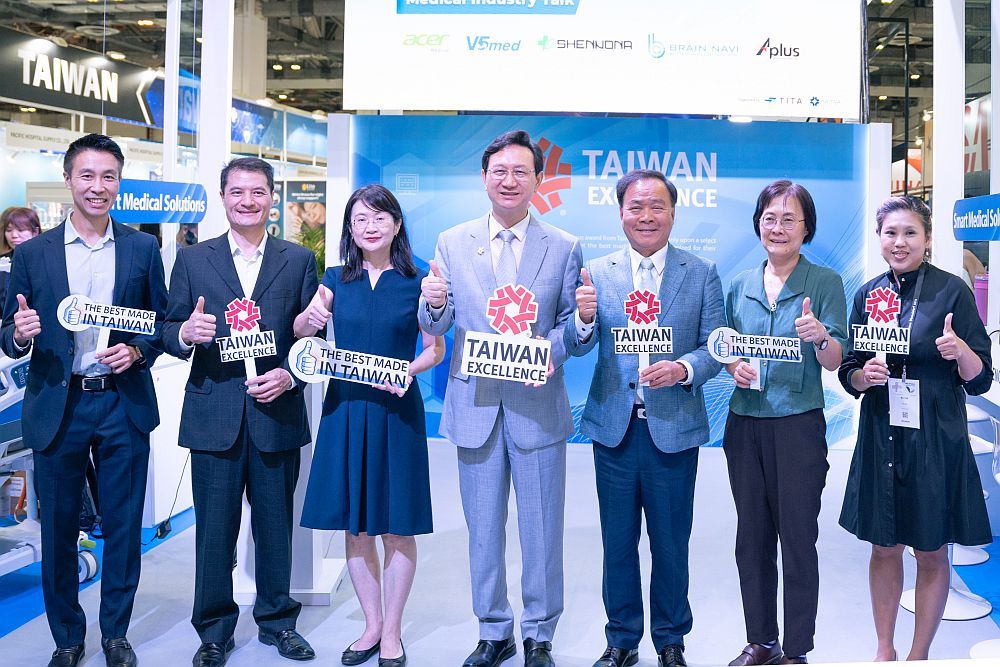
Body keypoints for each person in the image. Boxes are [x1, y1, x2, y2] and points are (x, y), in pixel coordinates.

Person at [0, 134, 167, 667]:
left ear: (120, 182)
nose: (98, 187)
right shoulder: (31, 253)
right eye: (88, 176)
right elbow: (8, 330)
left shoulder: (142, 248)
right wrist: (19, 334)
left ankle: (116, 633)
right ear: (69, 180)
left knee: (123, 524)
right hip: (59, 404)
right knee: (59, 527)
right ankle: (68, 637)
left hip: (121, 402)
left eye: (109, 176)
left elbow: (160, 323)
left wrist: (137, 352)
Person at [418, 129, 582, 667]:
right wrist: (433, 305)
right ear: (484, 178)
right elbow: (437, 324)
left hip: (537, 407)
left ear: (538, 179)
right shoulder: (451, 241)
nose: (509, 180)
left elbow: (572, 330)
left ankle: (539, 632)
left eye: (521, 171)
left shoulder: (563, 246)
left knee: (541, 529)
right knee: (483, 530)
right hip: (476, 409)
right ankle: (494, 629)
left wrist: (551, 349)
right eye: (499, 171)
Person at [162, 157, 319, 667]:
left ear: (272, 198)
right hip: (215, 413)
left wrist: (291, 375)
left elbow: (312, 339)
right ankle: (214, 630)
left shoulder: (296, 260)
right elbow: (167, 327)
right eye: (237, 192)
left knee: (276, 527)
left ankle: (278, 622)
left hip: (276, 412)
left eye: (258, 192)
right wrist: (185, 333)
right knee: (214, 531)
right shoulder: (194, 259)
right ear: (223, 197)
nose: (247, 201)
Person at [566, 169, 723, 667]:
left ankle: (671, 640)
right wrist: (584, 318)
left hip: (673, 429)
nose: (646, 215)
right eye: (636, 206)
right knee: (617, 544)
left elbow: (715, 346)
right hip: (615, 429)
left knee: (672, 544)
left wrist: (683, 368)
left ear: (673, 213)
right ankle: (621, 640)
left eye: (657, 206)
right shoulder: (597, 273)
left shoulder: (700, 273)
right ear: (620, 213)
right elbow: (578, 344)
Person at [294, 184, 443, 667]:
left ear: (396, 224)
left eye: (380, 217)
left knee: (397, 525)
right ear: (350, 230)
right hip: (347, 407)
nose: (371, 226)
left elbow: (434, 350)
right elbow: (303, 333)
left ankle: (394, 632)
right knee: (356, 527)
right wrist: (306, 319)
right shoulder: (335, 279)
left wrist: (409, 372)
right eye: (360, 220)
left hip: (397, 409)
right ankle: (370, 625)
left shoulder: (420, 278)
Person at [839, 195, 992, 662]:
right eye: (891, 233)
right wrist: (866, 376)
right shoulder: (869, 294)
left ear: (926, 239)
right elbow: (849, 369)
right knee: (884, 547)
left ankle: (918, 654)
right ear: (880, 238)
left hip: (935, 439)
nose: (899, 242)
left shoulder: (952, 292)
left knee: (930, 549)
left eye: (910, 233)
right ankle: (884, 650)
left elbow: (980, 375)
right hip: (882, 432)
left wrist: (959, 350)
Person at [722, 181, 848, 666]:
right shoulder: (739, 285)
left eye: (789, 219)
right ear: (758, 224)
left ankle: (796, 649)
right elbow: (726, 348)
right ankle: (761, 641)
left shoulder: (825, 284)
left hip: (797, 425)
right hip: (745, 423)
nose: (778, 227)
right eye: (770, 217)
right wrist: (733, 366)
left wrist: (820, 336)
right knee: (751, 535)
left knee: (797, 536)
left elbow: (836, 360)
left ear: (806, 228)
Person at [0, 206, 42, 308]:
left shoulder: (46, 260)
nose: (14, 235)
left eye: (21, 230)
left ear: (35, 232)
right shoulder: (3, 261)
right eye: (9, 230)